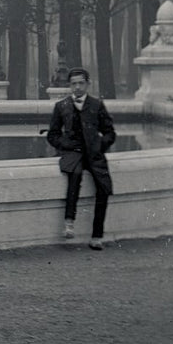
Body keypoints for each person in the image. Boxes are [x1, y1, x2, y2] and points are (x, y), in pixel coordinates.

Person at [46, 66, 116, 249]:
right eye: (74, 84)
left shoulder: (97, 105)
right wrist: (65, 146)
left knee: (104, 188)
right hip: (73, 153)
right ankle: (69, 222)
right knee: (74, 177)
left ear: (88, 84)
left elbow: (110, 132)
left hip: (94, 154)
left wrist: (100, 145)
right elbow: (52, 135)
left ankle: (97, 236)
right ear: (69, 86)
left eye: (81, 83)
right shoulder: (61, 106)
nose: (77, 87)